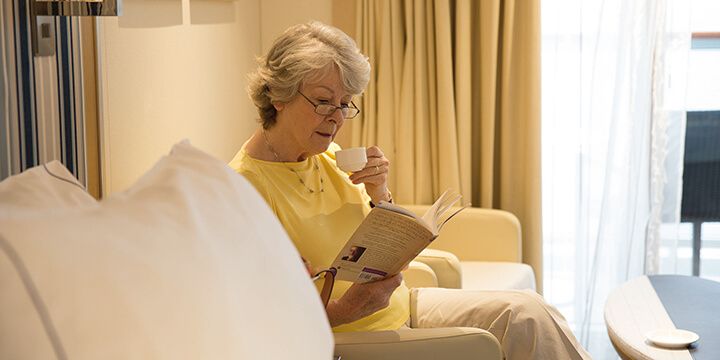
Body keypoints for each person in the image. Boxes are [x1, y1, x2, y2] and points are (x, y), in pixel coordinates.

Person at [230, 21, 591, 360]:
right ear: (279, 95)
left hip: (401, 307)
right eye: (324, 101)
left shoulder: (330, 159)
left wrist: (381, 195)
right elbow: (263, 321)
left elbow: (383, 249)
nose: (337, 117)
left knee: (528, 311)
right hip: (354, 335)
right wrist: (348, 308)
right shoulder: (244, 191)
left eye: (345, 104)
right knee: (520, 323)